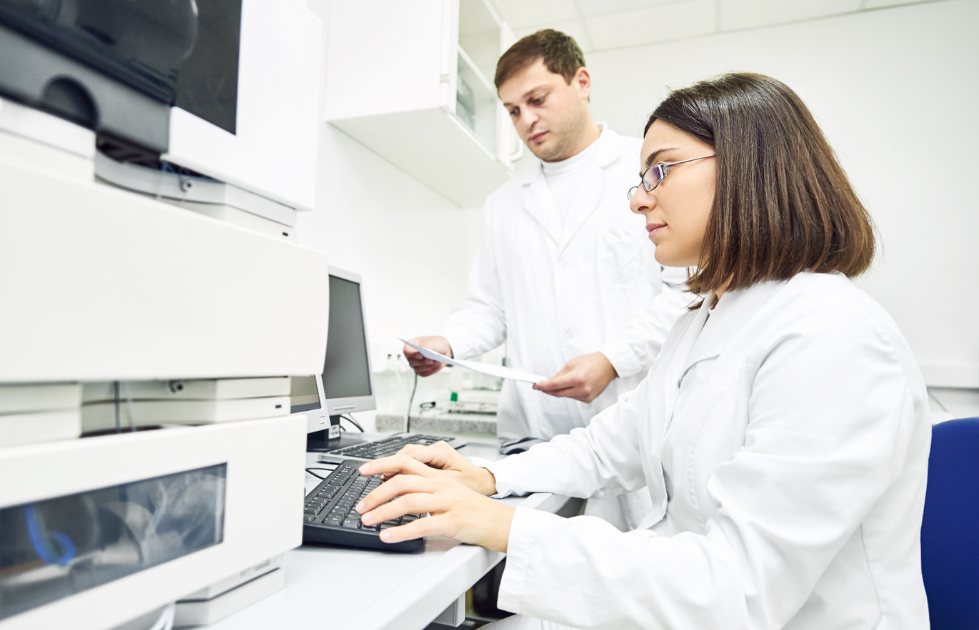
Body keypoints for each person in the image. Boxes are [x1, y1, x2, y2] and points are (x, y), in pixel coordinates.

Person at [361, 73, 931, 629]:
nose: (637, 200)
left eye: (659, 171)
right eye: (640, 178)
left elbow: (735, 590)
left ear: (749, 168)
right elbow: (616, 443)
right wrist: (488, 475)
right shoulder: (708, 316)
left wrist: (505, 527)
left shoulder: (830, 335)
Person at [404, 30, 691, 531]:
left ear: (581, 82)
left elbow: (686, 294)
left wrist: (610, 360)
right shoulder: (504, 204)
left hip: (629, 432)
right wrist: (446, 343)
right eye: (513, 110)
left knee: (624, 585)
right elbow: (489, 310)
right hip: (535, 438)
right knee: (536, 587)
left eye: (537, 99)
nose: (526, 120)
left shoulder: (642, 170)